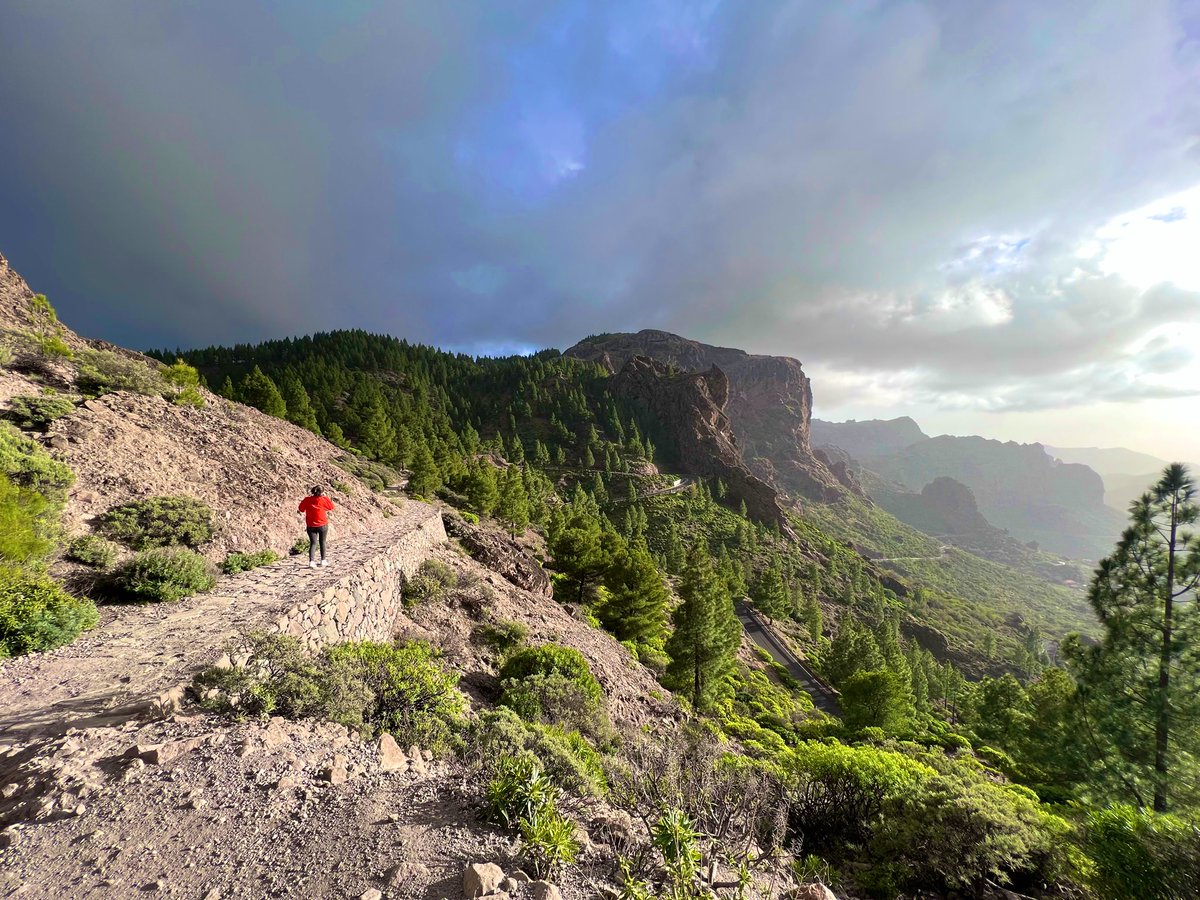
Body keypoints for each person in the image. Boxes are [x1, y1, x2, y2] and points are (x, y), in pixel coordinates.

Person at [298, 486, 335, 569]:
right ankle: (323, 560)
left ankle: (311, 561)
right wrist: (325, 497)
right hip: (322, 524)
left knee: (313, 543)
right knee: (323, 542)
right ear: (321, 492)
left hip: (311, 525)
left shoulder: (307, 500)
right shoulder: (323, 499)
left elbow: (301, 509)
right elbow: (331, 507)